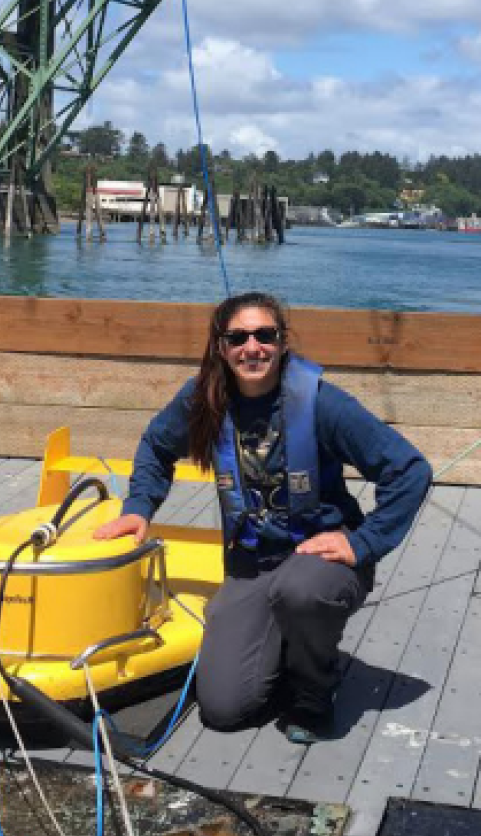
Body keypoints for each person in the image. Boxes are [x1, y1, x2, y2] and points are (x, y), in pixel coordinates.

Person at [94, 290, 432, 744]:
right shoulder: (204, 399)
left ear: (282, 342)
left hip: (320, 560)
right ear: (221, 347)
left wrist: (362, 543)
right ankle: (285, 647)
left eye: (264, 335)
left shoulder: (321, 403)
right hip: (252, 562)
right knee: (223, 708)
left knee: (301, 592)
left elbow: (409, 469)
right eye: (238, 338)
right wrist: (139, 508)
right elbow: (157, 445)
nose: (252, 347)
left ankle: (315, 688)